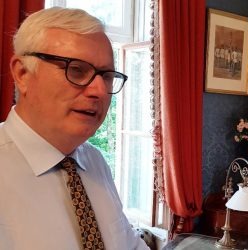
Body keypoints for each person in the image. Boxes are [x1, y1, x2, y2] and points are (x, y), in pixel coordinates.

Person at [0, 7, 149, 250]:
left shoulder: (95, 161)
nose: (100, 91)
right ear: (22, 73)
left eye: (107, 76)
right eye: (76, 70)